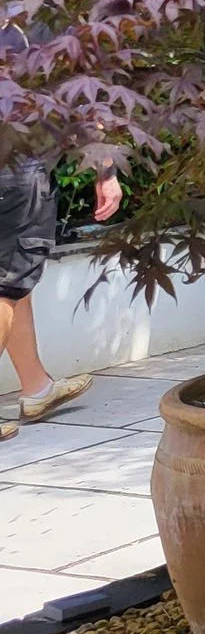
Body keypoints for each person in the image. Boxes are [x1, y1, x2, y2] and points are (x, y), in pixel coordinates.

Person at [0, 156, 119, 435]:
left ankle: (37, 387)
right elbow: (88, 126)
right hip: (16, 174)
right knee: (8, 286)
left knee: (14, 279)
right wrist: (107, 172)